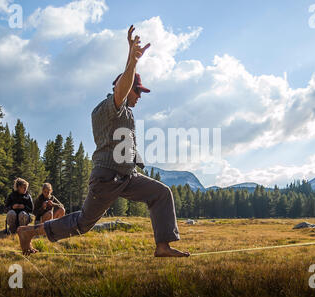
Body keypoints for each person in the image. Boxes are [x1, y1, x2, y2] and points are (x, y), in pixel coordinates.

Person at [17, 25, 189, 258]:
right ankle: (30, 232)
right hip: (107, 178)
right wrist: (132, 60)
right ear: (126, 89)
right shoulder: (111, 108)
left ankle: (163, 247)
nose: (139, 97)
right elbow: (122, 89)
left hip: (127, 177)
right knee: (82, 224)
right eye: (138, 92)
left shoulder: (126, 112)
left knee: (161, 192)